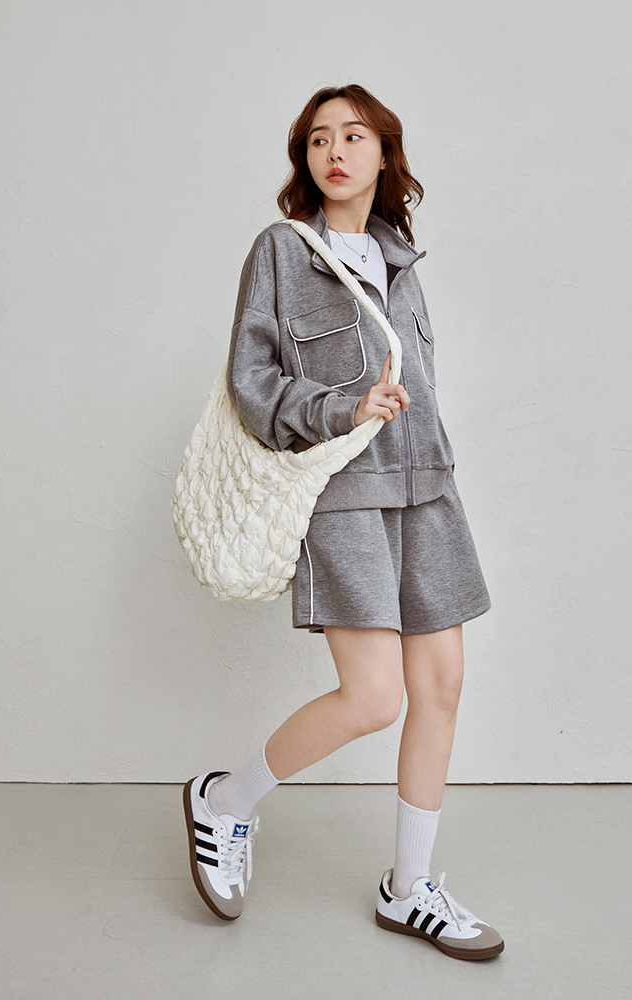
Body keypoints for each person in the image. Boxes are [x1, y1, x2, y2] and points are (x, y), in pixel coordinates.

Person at [182, 84, 503, 961]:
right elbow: (253, 385)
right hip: (345, 493)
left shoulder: (401, 258)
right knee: (374, 698)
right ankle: (225, 801)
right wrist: (342, 408)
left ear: (383, 153)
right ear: (306, 159)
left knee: (441, 686)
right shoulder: (283, 252)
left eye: (353, 136)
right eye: (319, 139)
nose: (335, 151)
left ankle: (408, 888)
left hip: (428, 491)